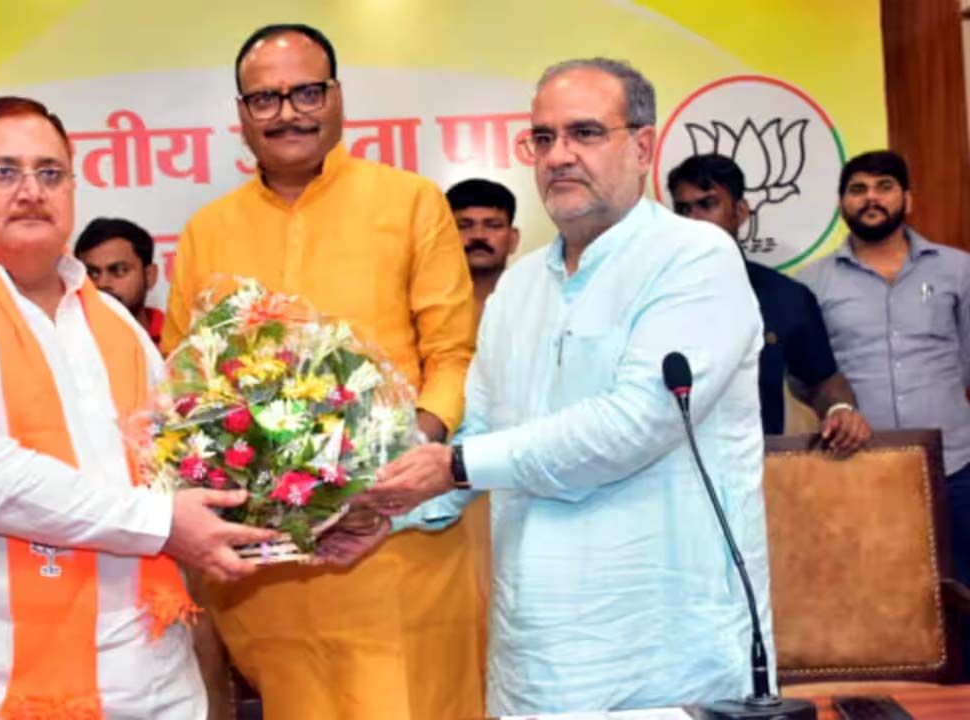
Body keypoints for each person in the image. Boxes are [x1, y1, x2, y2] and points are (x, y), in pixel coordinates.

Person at [336, 58, 773, 714]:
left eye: (585, 133)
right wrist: (385, 510)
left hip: (665, 642)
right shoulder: (518, 287)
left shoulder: (694, 258)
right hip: (537, 647)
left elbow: (635, 424)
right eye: (543, 138)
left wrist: (454, 465)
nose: (559, 155)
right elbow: (482, 433)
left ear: (643, 147)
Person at [0, 96, 275, 719]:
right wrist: (159, 522)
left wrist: (298, 508)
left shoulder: (114, 322)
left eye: (49, 172)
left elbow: (181, 459)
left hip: (143, 676)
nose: (30, 190)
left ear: (72, 188)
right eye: (3, 172)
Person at [163, 23, 485, 720]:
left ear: (337, 97)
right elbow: (186, 389)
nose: (288, 113)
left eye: (306, 92)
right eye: (266, 98)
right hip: (268, 564)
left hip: (396, 543)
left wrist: (398, 462)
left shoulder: (409, 202)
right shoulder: (207, 231)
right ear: (242, 113)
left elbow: (453, 355)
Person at [799, 149, 970, 644]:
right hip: (859, 467)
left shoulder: (958, 270)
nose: (871, 198)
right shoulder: (812, 283)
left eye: (884, 187)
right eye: (858, 189)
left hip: (955, 465)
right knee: (873, 596)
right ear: (841, 204)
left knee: (963, 593)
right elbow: (807, 376)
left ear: (907, 199)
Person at [667, 154, 870, 451]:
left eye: (708, 204)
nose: (693, 220)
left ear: (740, 211)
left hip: (757, 466)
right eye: (683, 209)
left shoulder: (784, 296)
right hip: (663, 468)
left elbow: (824, 381)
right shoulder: (649, 293)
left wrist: (840, 410)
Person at [74, 217, 164, 345]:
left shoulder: (180, 341)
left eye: (119, 270)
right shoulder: (68, 344)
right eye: (92, 273)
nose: (102, 283)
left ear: (150, 276)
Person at [447, 178, 520, 322]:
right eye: (464, 226)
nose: (478, 235)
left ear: (513, 239)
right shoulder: (421, 304)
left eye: (493, 225)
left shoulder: (537, 302)